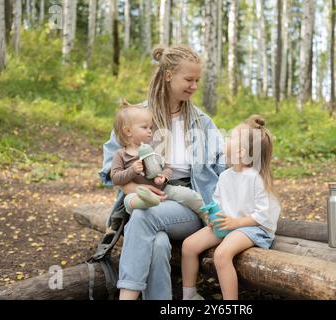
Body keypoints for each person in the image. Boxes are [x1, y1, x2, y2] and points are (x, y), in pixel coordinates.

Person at [99, 45, 225, 300]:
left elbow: (223, 168)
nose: (194, 86)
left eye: (197, 80)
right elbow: (109, 168)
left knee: (144, 217)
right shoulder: (136, 118)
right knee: (156, 243)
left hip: (189, 203)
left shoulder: (202, 122)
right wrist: (133, 188)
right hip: (144, 196)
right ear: (168, 75)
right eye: (188, 80)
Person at [181, 115, 280, 300]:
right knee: (188, 246)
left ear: (241, 152)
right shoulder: (225, 176)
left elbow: (264, 215)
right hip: (229, 224)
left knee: (222, 255)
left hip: (253, 226)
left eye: (230, 138)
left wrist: (237, 222)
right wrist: (213, 217)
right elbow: (218, 202)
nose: (225, 141)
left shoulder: (254, 178)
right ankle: (189, 295)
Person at [110, 102, 205, 220]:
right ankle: (146, 202)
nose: (150, 131)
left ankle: (205, 215)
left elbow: (167, 167)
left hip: (163, 189)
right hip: (138, 192)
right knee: (129, 200)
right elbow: (115, 178)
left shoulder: (154, 149)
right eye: (145, 127)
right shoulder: (121, 155)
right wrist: (132, 170)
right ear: (128, 131)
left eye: (150, 127)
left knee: (188, 194)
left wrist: (164, 177)